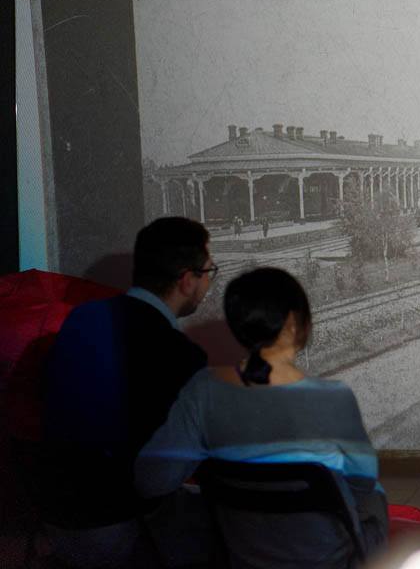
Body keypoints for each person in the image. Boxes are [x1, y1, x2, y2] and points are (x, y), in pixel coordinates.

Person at [136, 267, 388, 566]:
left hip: (243, 560)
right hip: (328, 561)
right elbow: (362, 482)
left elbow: (151, 480)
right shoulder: (333, 397)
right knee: (376, 494)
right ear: (295, 323)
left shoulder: (202, 391)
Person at [39, 216, 214, 568]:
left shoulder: (82, 318)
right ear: (186, 280)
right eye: (210, 271)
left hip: (54, 518)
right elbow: (156, 481)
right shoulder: (180, 354)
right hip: (115, 528)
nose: (210, 282)